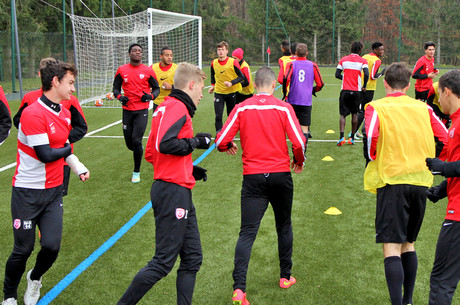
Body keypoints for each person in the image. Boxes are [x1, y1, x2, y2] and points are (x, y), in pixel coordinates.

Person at [117, 62, 211, 305]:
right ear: (191, 85)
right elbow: (164, 145)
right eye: (201, 88)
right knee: (162, 262)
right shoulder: (177, 107)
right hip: (172, 192)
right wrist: (195, 141)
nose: (202, 93)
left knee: (192, 257)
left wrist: (188, 167)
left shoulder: (167, 107)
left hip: (176, 186)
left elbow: (151, 154)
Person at [215, 67, 306, 305]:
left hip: (253, 177)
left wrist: (226, 146)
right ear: (274, 84)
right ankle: (285, 277)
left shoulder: (241, 107)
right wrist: (298, 161)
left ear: (254, 85)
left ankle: (239, 289)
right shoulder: (284, 107)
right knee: (284, 226)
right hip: (280, 176)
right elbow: (299, 141)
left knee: (247, 232)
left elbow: (221, 140)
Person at [1, 59, 90, 305]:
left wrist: (77, 165)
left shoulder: (63, 112)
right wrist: (67, 149)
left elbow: (61, 148)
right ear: (55, 81)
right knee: (23, 249)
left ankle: (34, 278)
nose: (73, 89)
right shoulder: (32, 113)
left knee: (51, 247)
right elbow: (46, 154)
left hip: (53, 192)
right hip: (27, 192)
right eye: (70, 83)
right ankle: (9, 295)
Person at [363, 62, 448, 305]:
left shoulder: (376, 107)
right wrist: (433, 161)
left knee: (391, 247)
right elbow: (444, 136)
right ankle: (408, 300)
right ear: (409, 85)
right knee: (408, 244)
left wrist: (374, 157)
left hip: (392, 181)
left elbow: (371, 139)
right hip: (420, 181)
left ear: (385, 83)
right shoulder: (423, 109)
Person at [13, 57, 87, 196]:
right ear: (41, 75)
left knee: (56, 199)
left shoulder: (69, 102)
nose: (73, 89)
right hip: (31, 174)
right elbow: (17, 121)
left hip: (61, 161)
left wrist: (62, 142)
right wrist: (38, 136)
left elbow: (81, 127)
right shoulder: (30, 101)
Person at [425, 70, 460, 305]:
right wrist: (443, 188)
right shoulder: (454, 121)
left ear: (446, 92)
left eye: (439, 95)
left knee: (441, 280)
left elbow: (453, 165)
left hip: (458, 216)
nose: (439, 100)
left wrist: (443, 168)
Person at [113, 43, 160, 183]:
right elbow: (115, 90)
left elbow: (156, 89)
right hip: (127, 111)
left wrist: (150, 97)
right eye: (134, 51)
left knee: (136, 140)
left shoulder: (148, 71)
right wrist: (120, 98)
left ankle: (136, 172)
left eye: (139, 51)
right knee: (130, 144)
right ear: (129, 54)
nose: (137, 53)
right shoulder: (121, 70)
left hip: (142, 111)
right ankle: (138, 149)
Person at [284, 43, 324, 138]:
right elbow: (320, 84)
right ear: (307, 53)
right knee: (304, 128)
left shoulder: (291, 64)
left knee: (291, 127)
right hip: (305, 101)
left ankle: (295, 149)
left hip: (292, 100)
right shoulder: (313, 65)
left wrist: (285, 92)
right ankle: (302, 151)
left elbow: (285, 79)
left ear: (296, 53)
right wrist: (313, 90)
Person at [208, 41, 247, 132]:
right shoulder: (214, 63)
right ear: (217, 51)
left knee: (231, 115)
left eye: (223, 50)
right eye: (219, 50)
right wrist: (212, 85)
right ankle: (219, 134)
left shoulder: (233, 62)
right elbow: (213, 74)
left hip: (231, 92)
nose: (221, 51)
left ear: (227, 51)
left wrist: (231, 83)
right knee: (218, 116)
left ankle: (231, 133)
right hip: (219, 93)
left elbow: (242, 77)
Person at [335, 41, 369, 146]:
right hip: (356, 91)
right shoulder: (363, 60)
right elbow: (366, 74)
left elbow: (337, 74)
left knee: (343, 115)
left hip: (345, 90)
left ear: (351, 49)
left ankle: (341, 137)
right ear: (360, 50)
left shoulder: (343, 59)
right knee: (355, 114)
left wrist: (345, 79)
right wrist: (364, 85)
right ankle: (352, 138)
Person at [355, 42, 385, 139]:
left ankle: (355, 131)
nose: (382, 52)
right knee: (364, 110)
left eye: (383, 49)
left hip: (359, 85)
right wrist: (383, 72)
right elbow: (373, 76)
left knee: (360, 109)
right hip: (369, 88)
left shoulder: (365, 56)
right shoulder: (377, 60)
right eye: (381, 50)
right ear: (375, 50)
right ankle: (353, 132)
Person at [150, 46, 178, 111]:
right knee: (157, 121)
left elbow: (183, 86)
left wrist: (172, 87)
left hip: (172, 102)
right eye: (167, 55)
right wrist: (149, 88)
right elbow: (146, 81)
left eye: (171, 55)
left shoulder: (177, 69)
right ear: (161, 56)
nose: (169, 57)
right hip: (157, 103)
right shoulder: (153, 68)